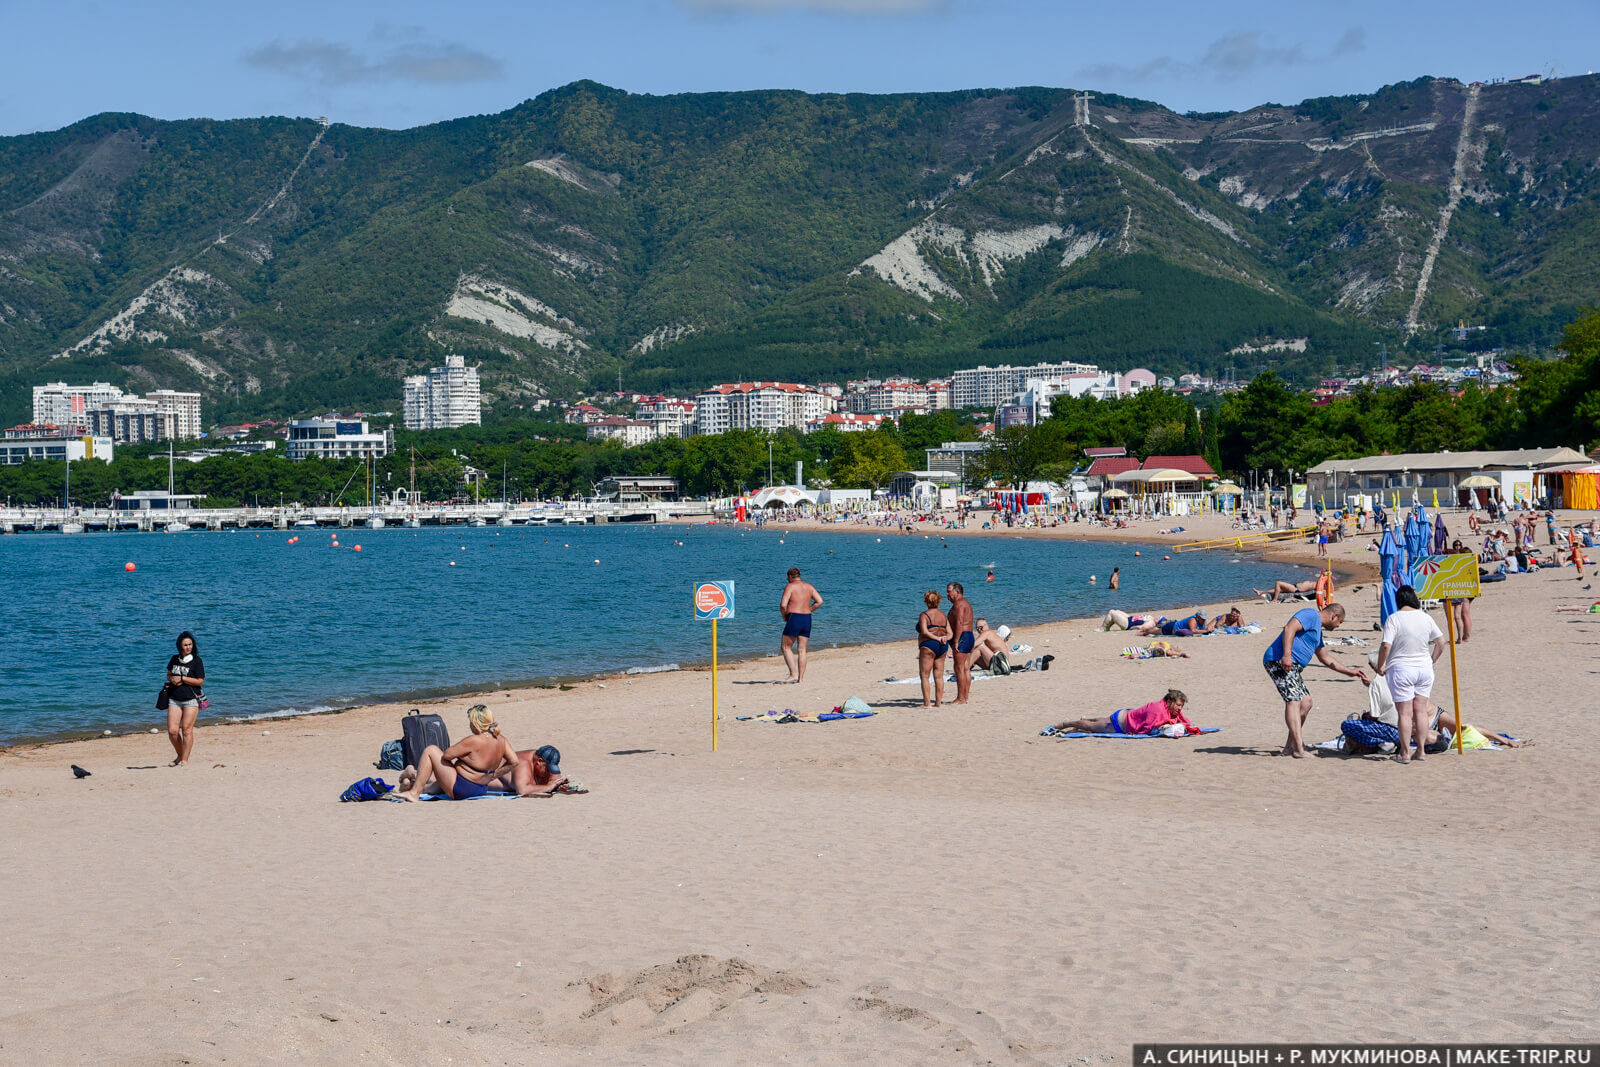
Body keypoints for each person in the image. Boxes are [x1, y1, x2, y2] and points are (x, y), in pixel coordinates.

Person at [1263, 602, 1369, 759]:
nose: (1339, 626)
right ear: (1334, 616)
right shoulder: (1310, 615)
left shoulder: (1317, 632)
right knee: (1294, 701)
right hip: (1279, 660)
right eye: (1340, 622)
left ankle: (1289, 747)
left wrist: (1349, 671)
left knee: (1306, 702)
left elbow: (1325, 657)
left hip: (1293, 667)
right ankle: (1299, 749)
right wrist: (1287, 655)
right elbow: (1289, 628)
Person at [1374, 585, 1447, 764]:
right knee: (1421, 711)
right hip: (1424, 668)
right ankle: (1421, 751)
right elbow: (1441, 642)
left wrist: (1380, 665)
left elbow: (1386, 645)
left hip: (1401, 668)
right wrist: (1432, 660)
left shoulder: (1394, 618)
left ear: (1398, 600)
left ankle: (1405, 753)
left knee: (1405, 714)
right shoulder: (1426, 617)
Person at [394, 705, 519, 801]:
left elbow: (447, 755)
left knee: (430, 750)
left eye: (470, 721)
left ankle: (414, 793)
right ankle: (409, 783)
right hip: (480, 789)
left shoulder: (474, 740)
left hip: (461, 787)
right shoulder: (501, 740)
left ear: (475, 723)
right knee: (432, 784)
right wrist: (494, 775)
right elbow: (514, 761)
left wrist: (463, 757)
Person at [1049, 689, 1192, 735]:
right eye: (1178, 705)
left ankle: (1079, 724)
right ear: (1169, 702)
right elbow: (1150, 726)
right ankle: (1064, 724)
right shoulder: (1158, 708)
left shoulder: (1168, 710)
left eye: (1181, 706)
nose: (1179, 709)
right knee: (1091, 726)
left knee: (1098, 723)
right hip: (1121, 723)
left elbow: (1178, 722)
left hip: (1126, 715)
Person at [164, 631, 205, 767]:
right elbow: (168, 675)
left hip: (191, 699)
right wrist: (172, 679)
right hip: (174, 699)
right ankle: (180, 755)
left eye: (190, 644)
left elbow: (200, 681)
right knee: (172, 731)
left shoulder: (197, 661)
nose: (188, 647)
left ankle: (184, 760)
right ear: (180, 646)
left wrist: (182, 678)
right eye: (185, 645)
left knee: (187, 730)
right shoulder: (174, 659)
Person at [779, 567, 823, 683]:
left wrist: (785, 617)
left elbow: (783, 605)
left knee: (786, 647)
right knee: (802, 649)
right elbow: (819, 601)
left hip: (795, 617)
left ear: (790, 577)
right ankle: (801, 679)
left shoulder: (790, 586)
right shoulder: (809, 586)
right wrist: (809, 609)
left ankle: (793, 674)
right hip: (807, 618)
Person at [915, 590, 950, 708]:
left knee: (924, 675)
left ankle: (927, 703)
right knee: (939, 676)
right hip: (942, 646)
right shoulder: (943, 615)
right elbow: (950, 633)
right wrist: (944, 638)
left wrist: (936, 638)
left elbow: (924, 631)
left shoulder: (924, 615)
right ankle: (938, 702)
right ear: (938, 601)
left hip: (929, 644)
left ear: (926, 601)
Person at [946, 581, 975, 704]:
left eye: (949, 591)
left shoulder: (959, 604)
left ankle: (960, 698)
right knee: (965, 669)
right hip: (968, 636)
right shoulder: (963, 603)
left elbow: (959, 623)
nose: (947, 594)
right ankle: (965, 697)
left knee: (959, 669)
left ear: (957, 592)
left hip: (962, 636)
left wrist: (956, 640)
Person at [1254, 579, 1318, 601]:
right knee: (1278, 589)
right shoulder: (1317, 582)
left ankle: (1275, 600)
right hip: (1295, 587)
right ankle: (1261, 592)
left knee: (1278, 583)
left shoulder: (1318, 584)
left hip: (1295, 589)